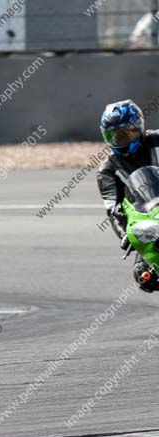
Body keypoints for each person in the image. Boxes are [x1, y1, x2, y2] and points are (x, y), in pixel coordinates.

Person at [97, 99, 159, 292]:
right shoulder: (107, 170)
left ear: (139, 127)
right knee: (143, 275)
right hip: (149, 222)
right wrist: (124, 233)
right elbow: (113, 209)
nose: (120, 140)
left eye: (125, 132)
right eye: (113, 136)